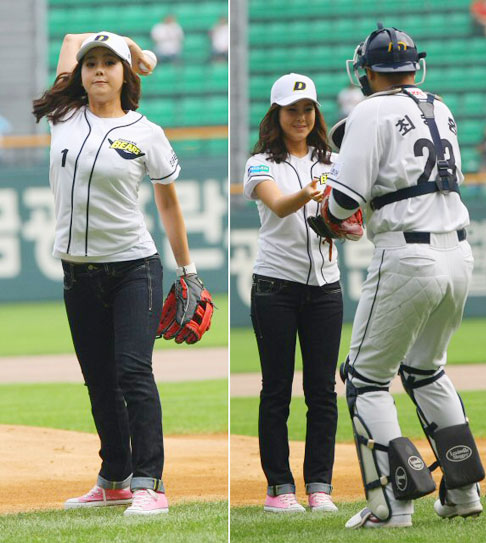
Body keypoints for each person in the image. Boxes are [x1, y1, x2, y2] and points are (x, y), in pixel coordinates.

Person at [32, 31, 204, 515]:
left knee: (132, 371)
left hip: (134, 268)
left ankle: (151, 483)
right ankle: (115, 479)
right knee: (99, 380)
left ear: (125, 75)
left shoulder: (147, 132)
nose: (100, 69)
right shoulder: (64, 116)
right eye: (93, 63)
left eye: (111, 62)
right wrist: (136, 48)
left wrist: (187, 270)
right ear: (81, 75)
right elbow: (68, 37)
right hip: (78, 273)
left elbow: (168, 205)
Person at [322, 24, 485, 529]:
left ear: (366, 71)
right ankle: (463, 493)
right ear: (416, 66)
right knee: (425, 370)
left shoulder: (369, 109)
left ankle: (393, 506)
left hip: (406, 253)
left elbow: (342, 202)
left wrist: (332, 218)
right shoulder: (441, 106)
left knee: (364, 380)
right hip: (459, 254)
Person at [243, 73, 344, 513]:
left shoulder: (334, 161)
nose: (300, 117)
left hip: (326, 288)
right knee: (277, 391)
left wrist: (347, 223)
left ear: (316, 113)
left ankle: (319, 485)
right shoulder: (260, 162)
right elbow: (280, 204)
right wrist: (312, 193)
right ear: (276, 114)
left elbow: (348, 218)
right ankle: (279, 488)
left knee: (322, 390)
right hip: (275, 287)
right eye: (291, 110)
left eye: (307, 109)